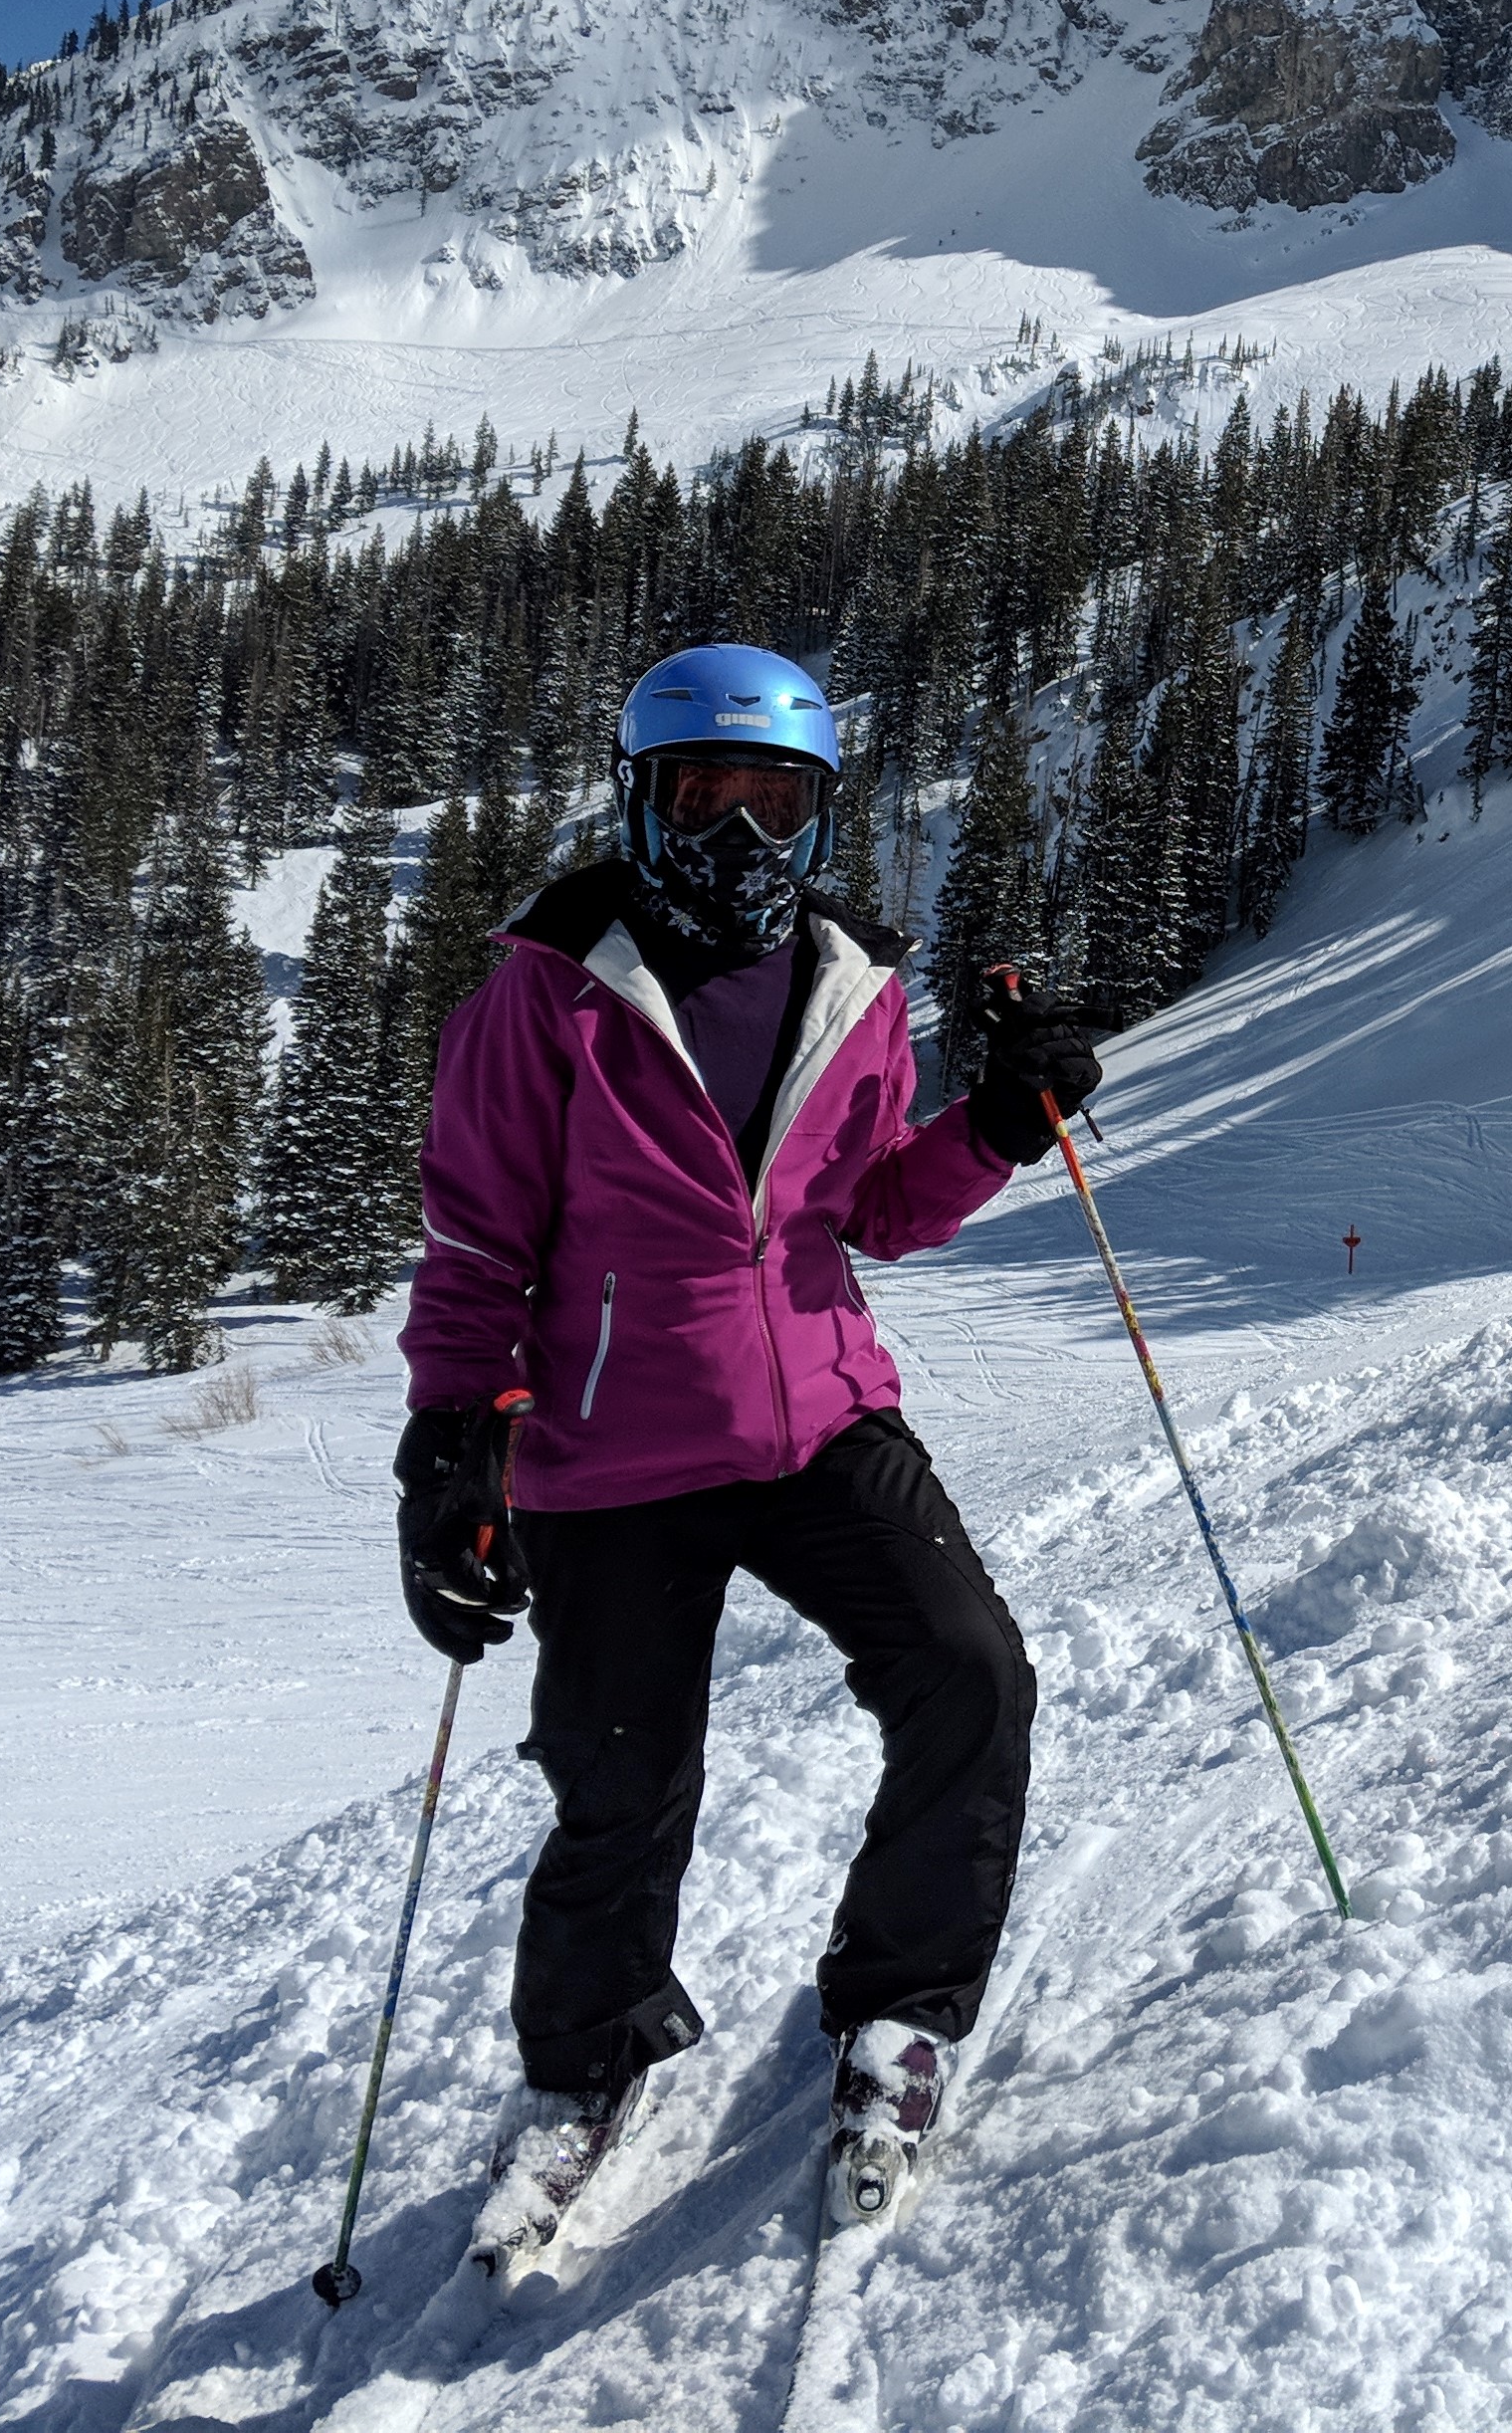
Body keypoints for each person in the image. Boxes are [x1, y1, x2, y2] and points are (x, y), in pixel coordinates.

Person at [392, 642, 1101, 2249]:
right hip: (609, 1445)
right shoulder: (549, 988)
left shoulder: (853, 986)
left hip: (816, 1418)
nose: (735, 840)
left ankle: (902, 2010)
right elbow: (475, 1241)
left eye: (771, 804)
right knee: (618, 1784)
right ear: (643, 798)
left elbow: (868, 1213)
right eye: (702, 798)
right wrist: (452, 1439)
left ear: (818, 815)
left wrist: (993, 1128)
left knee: (970, 1672)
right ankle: (583, 2072)